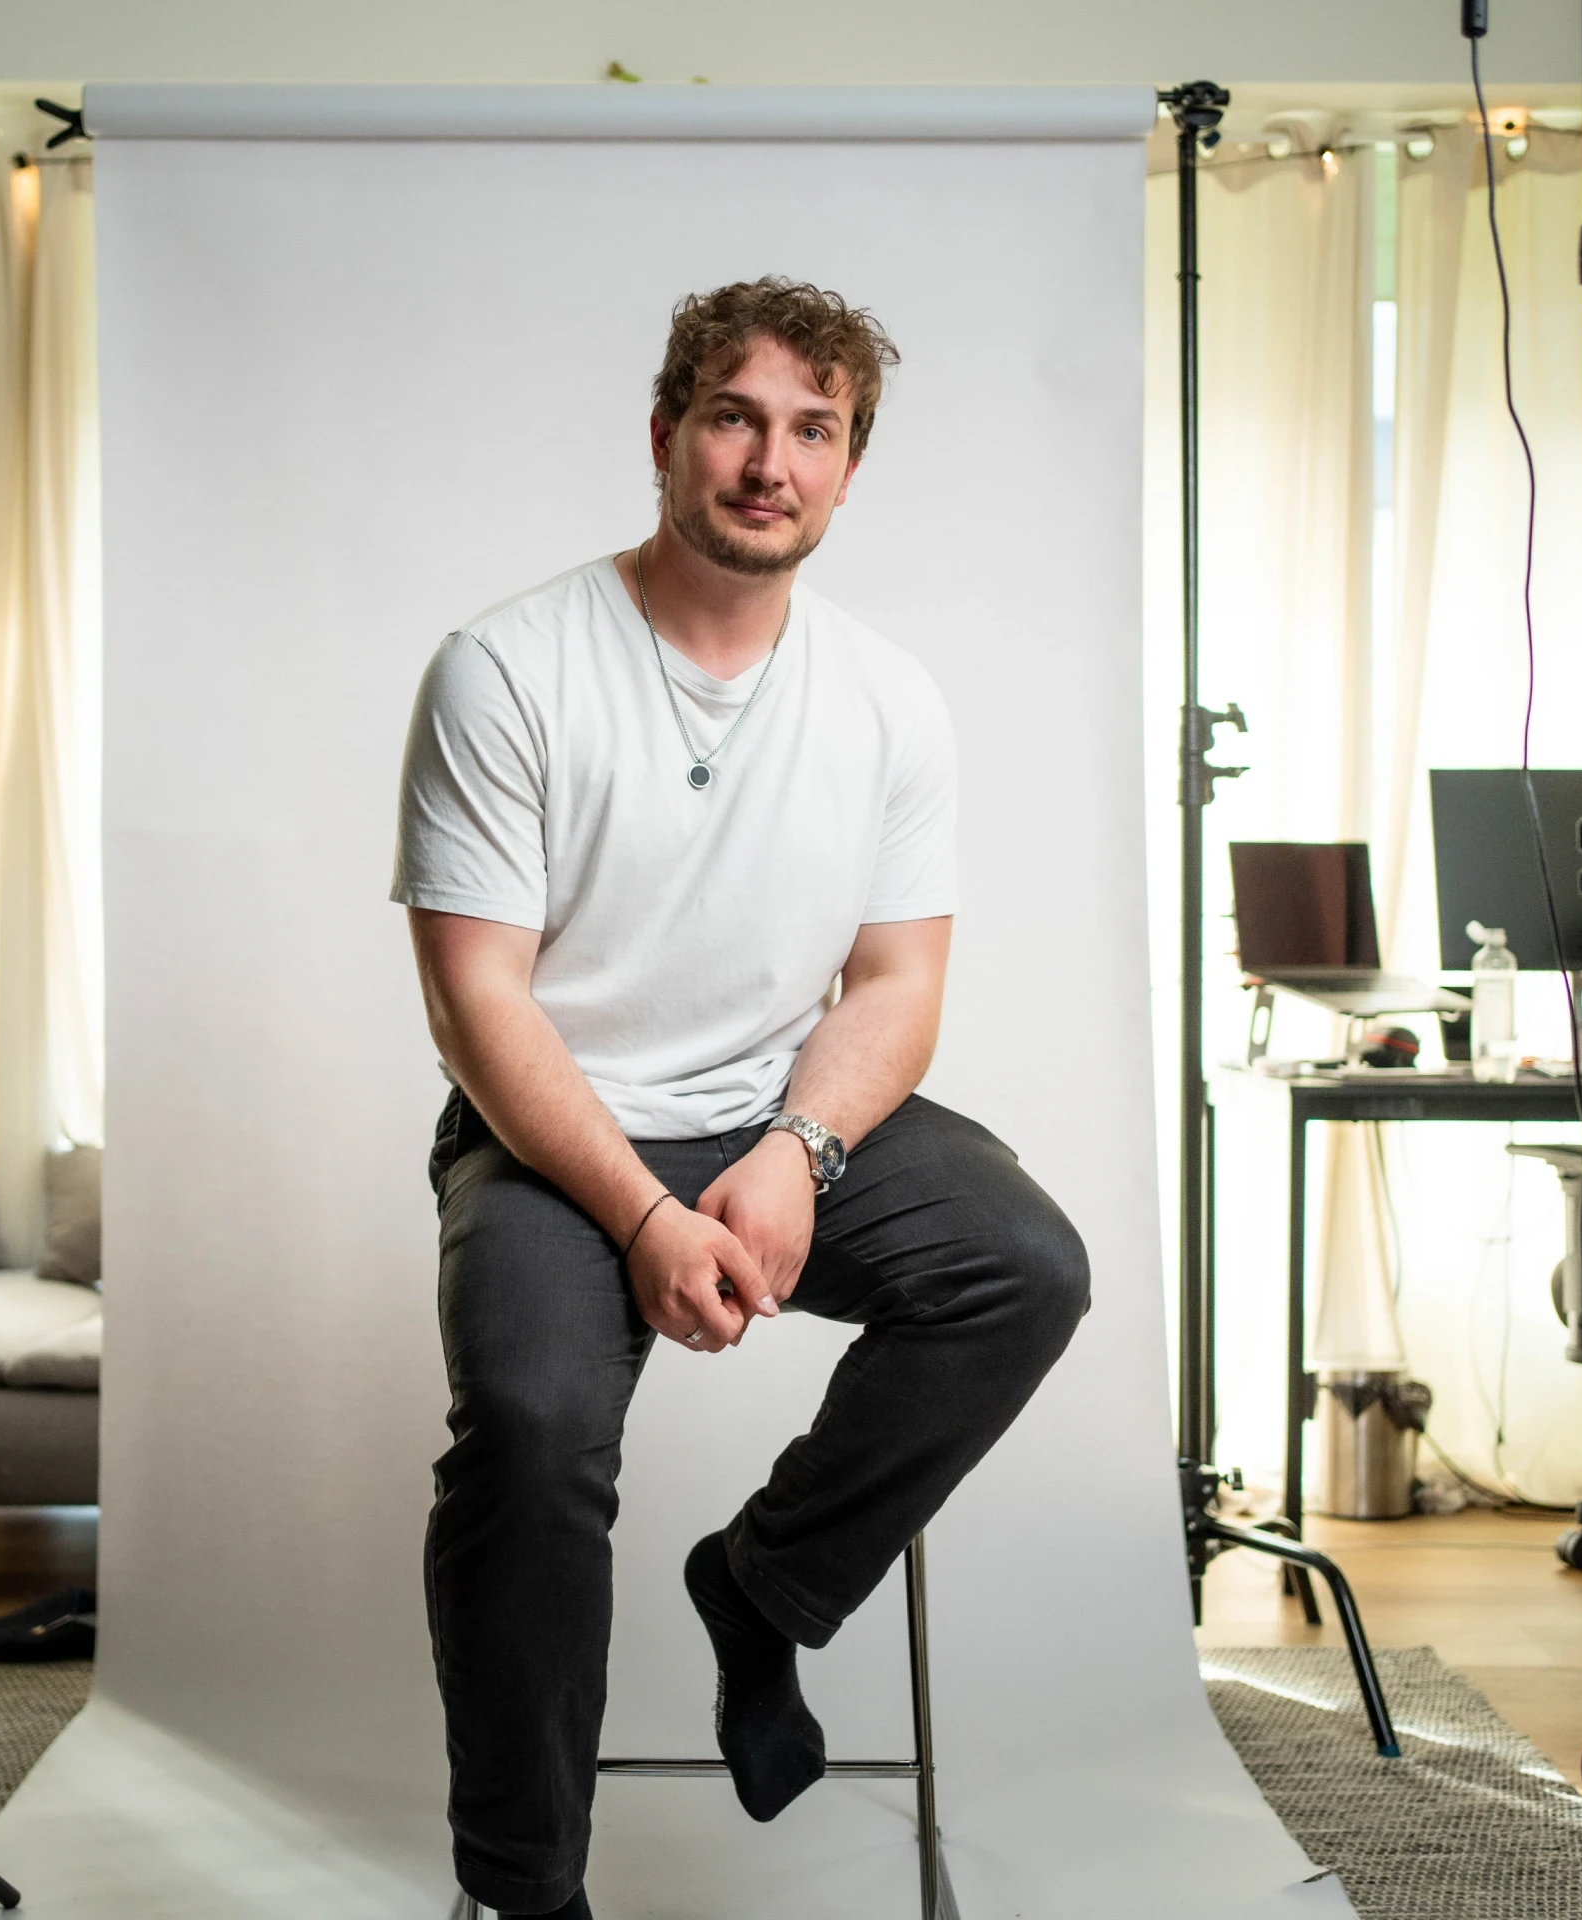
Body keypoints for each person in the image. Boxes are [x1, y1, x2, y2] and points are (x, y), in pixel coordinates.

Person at [393, 276, 1089, 1920]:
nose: (770, 460)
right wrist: (638, 1210)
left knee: (1022, 1269)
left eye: (813, 430)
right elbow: (475, 998)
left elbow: (897, 987)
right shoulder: (506, 667)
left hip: (780, 1112)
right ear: (665, 436)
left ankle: (764, 1589)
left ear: (848, 470)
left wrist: (797, 1150)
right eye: (735, 416)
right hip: (551, 1129)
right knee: (535, 1429)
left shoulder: (886, 698)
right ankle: (525, 1891)